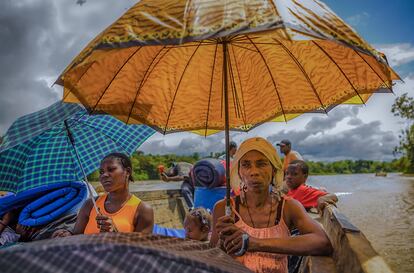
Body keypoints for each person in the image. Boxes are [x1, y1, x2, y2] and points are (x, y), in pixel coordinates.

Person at [211, 137, 332, 273]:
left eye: (261, 164)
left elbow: (322, 242)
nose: (254, 172)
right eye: (245, 165)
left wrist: (254, 243)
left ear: (274, 170)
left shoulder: (287, 207)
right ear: (239, 171)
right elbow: (212, 259)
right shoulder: (224, 209)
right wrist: (222, 243)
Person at [53, 153, 154, 237]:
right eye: (101, 172)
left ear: (127, 172)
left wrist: (115, 234)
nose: (104, 175)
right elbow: (76, 237)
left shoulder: (143, 210)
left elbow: (141, 251)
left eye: (111, 169)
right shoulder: (90, 204)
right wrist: (66, 234)